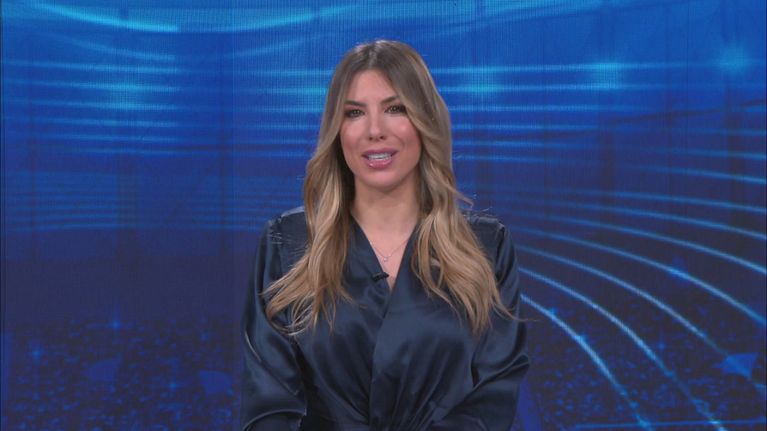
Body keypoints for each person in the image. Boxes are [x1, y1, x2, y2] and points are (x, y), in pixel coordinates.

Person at [241, 40, 529, 431]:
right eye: (354, 113)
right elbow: (268, 405)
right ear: (337, 131)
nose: (374, 130)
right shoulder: (287, 243)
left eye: (395, 109)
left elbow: (493, 395)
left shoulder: (485, 246)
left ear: (425, 121)